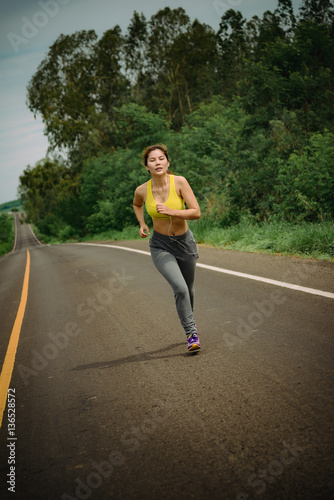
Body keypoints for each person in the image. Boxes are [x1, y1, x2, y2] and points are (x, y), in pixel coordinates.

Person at [133, 144, 201, 352]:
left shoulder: (179, 182)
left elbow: (196, 212)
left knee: (188, 290)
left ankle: (189, 321)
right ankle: (191, 334)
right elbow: (136, 204)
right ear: (147, 166)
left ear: (167, 162)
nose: (157, 163)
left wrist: (172, 211)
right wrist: (142, 223)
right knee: (179, 288)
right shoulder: (142, 190)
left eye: (161, 158)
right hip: (160, 245)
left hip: (184, 243)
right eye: (152, 160)